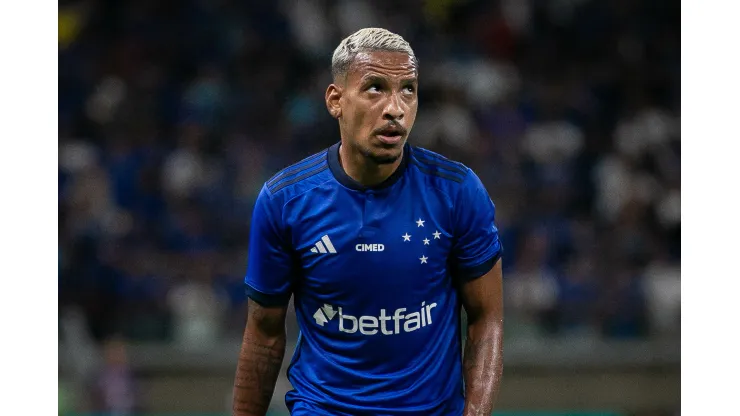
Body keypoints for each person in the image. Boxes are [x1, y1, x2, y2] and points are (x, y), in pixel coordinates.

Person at [232, 27, 504, 416]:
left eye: (408, 89)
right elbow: (263, 334)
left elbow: (487, 317)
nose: (395, 107)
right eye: (375, 87)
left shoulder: (457, 192)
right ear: (335, 100)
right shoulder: (284, 201)